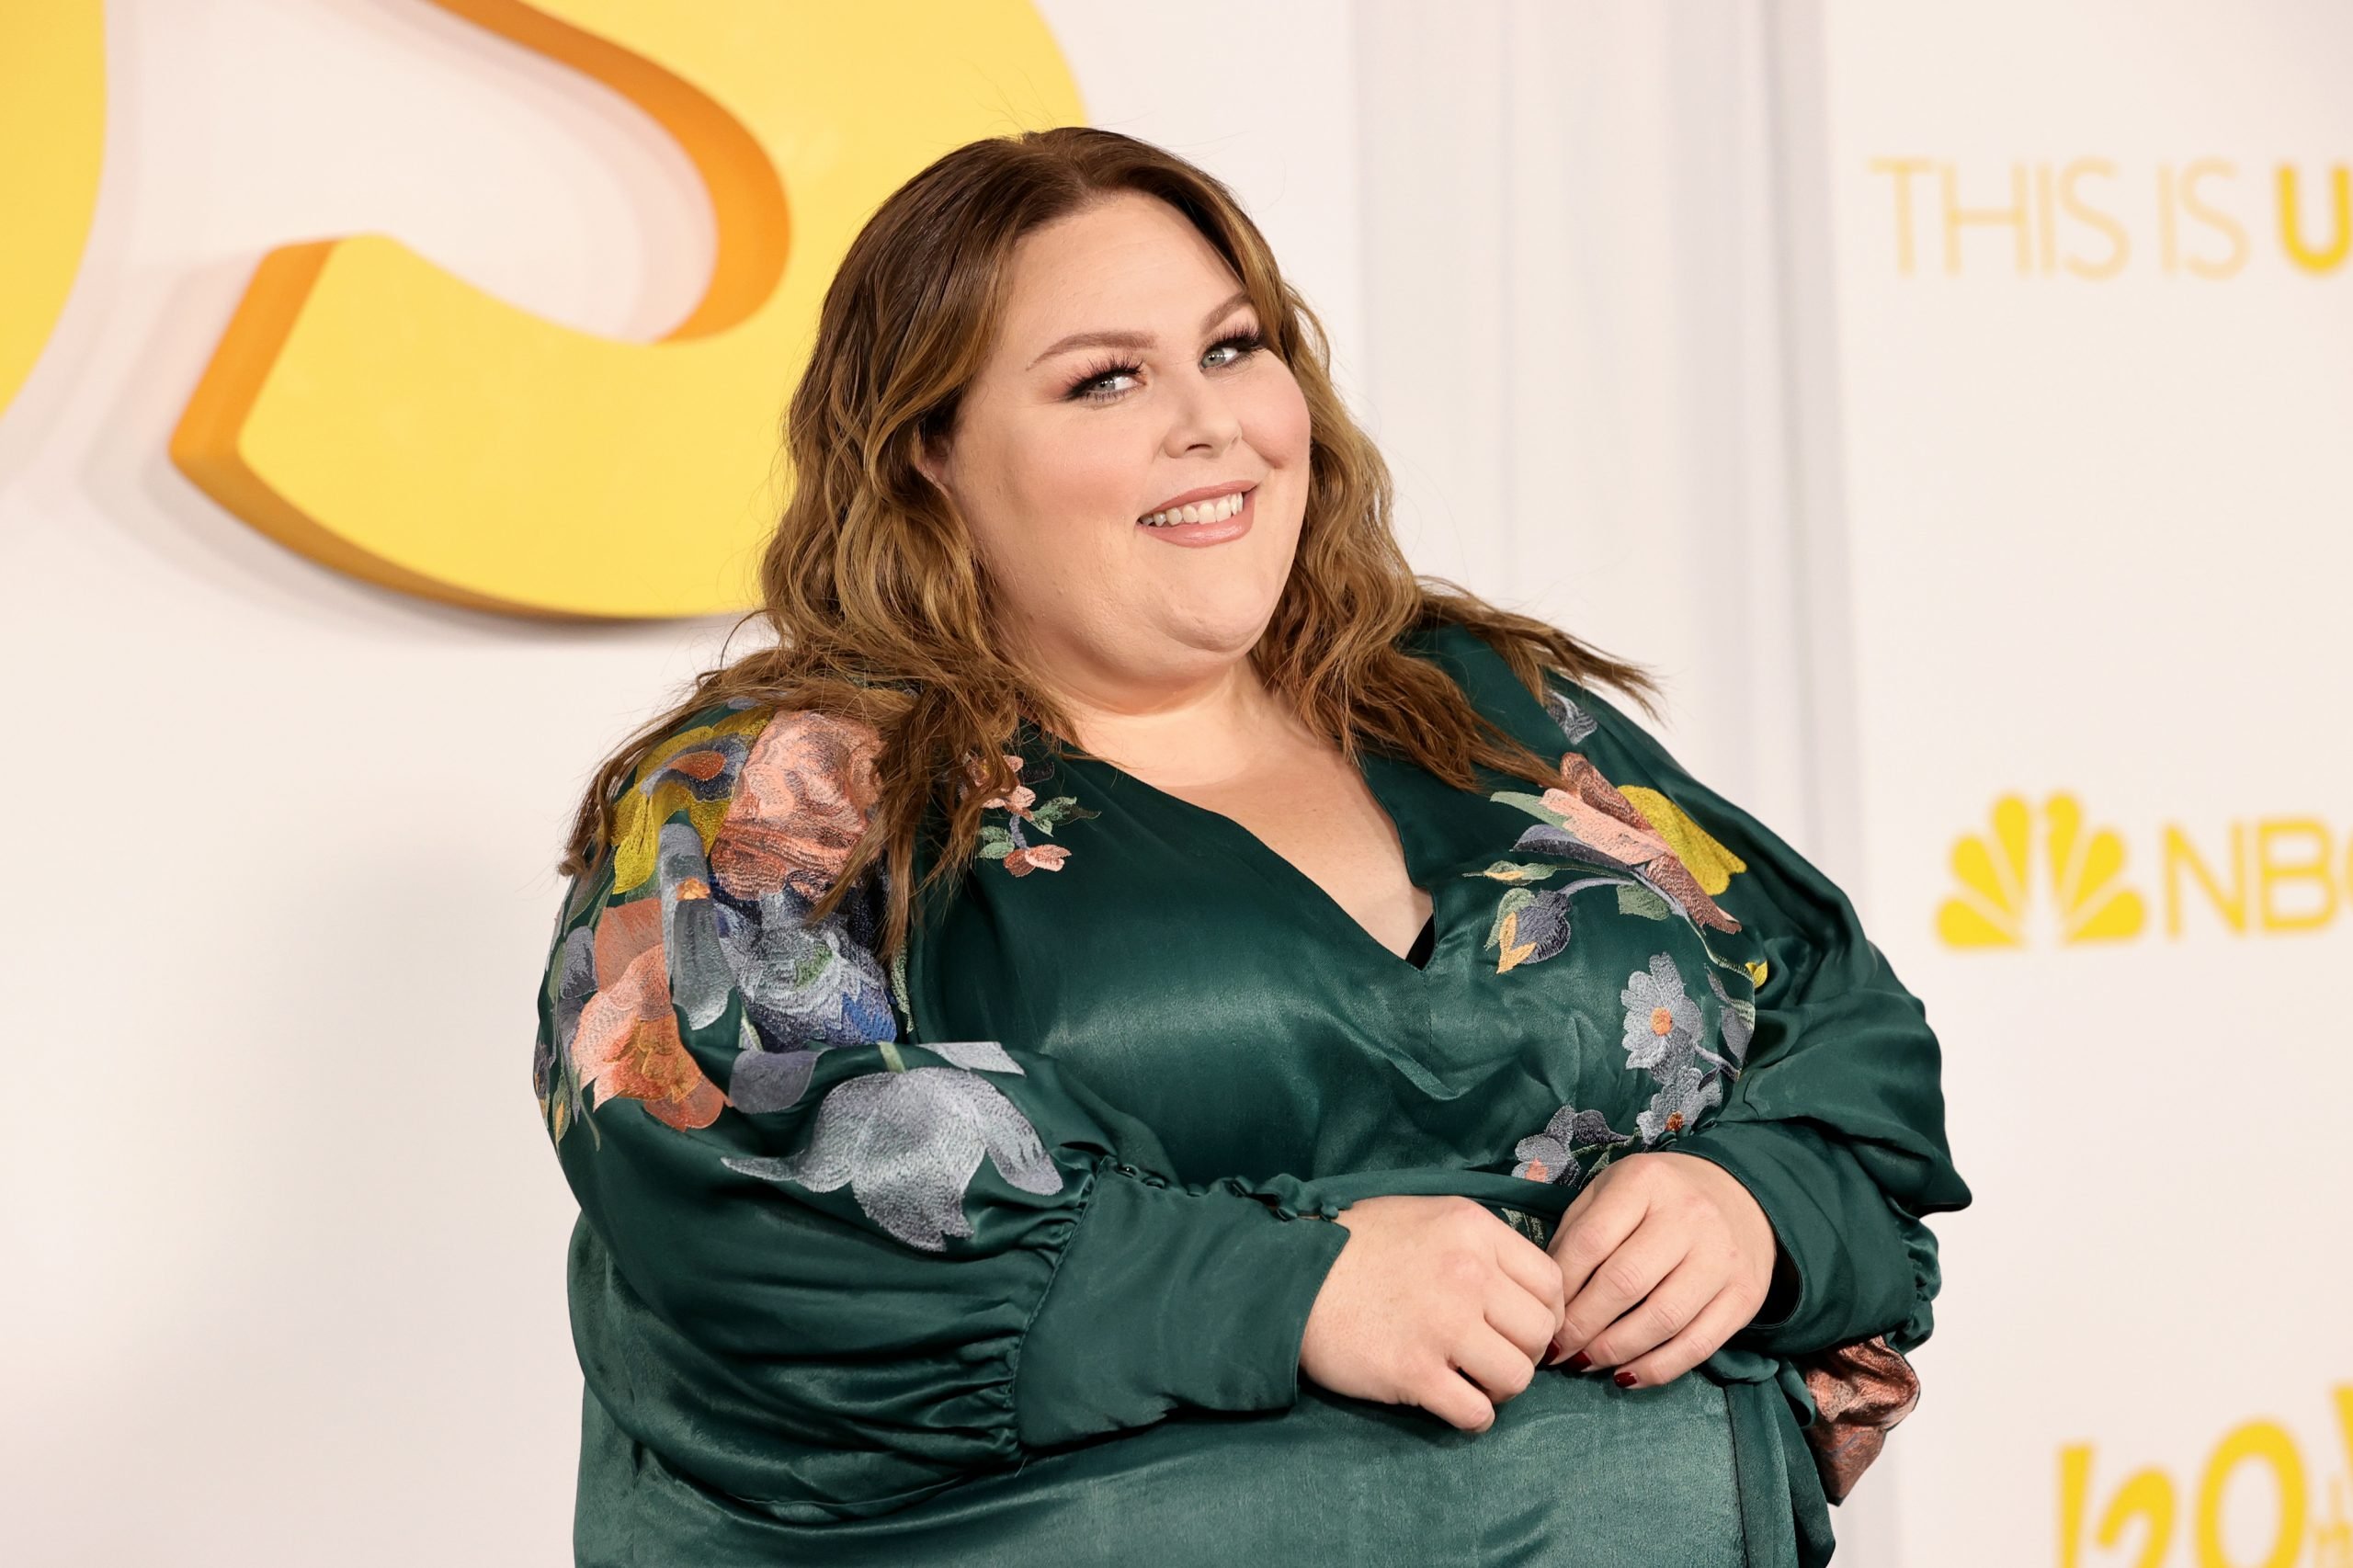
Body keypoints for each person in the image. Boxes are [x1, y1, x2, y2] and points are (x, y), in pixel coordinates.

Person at [532, 125, 1969, 1568]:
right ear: (931, 452)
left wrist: (1755, 1199)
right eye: (1107, 378)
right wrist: (1286, 1289)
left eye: (1233, 348)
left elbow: (1836, 1025)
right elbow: (732, 1181)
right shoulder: (782, 796)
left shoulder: (1486, 708)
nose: (1211, 422)